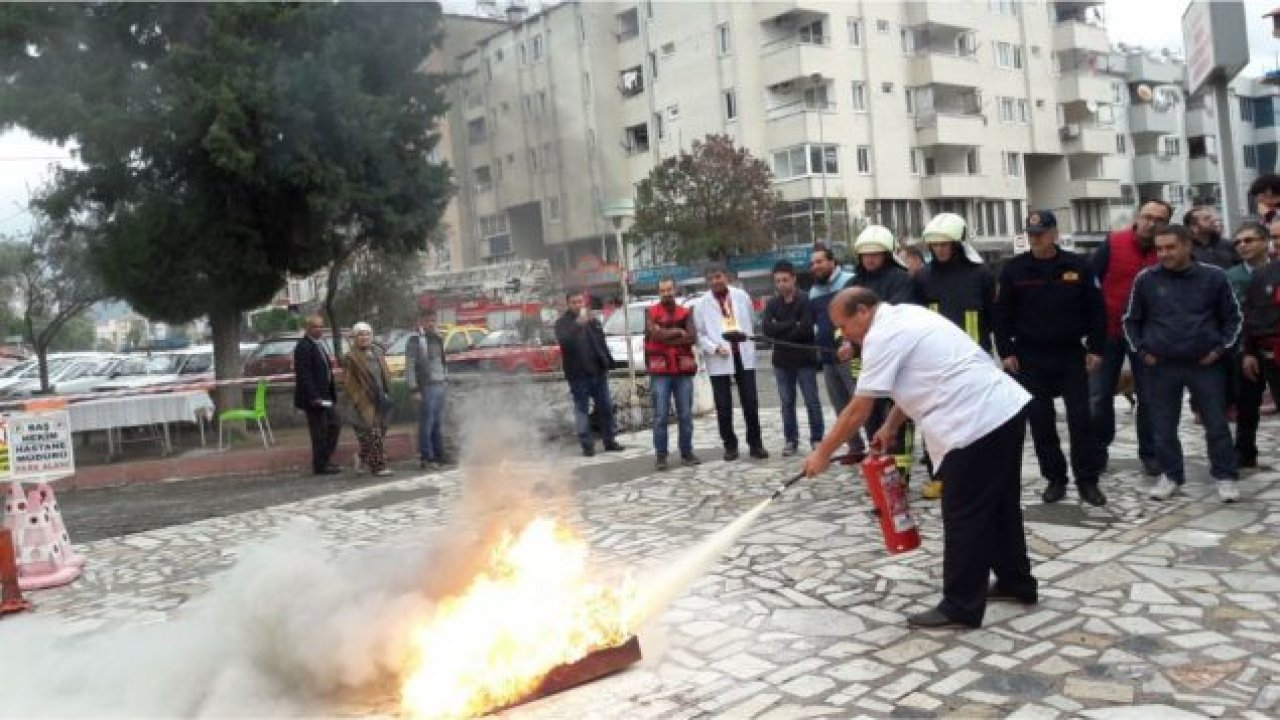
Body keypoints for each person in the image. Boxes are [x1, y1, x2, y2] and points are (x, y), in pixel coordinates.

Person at [804, 288, 1035, 629]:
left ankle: (960, 605)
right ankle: (1017, 582)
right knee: (1000, 505)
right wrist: (890, 425)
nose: (843, 334)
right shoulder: (906, 316)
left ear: (864, 311)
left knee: (963, 514)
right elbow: (917, 378)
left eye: (844, 325)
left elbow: (857, 408)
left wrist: (822, 453)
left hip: (976, 423)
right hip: (1002, 410)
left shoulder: (882, 335)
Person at [996, 211, 1107, 507]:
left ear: (1054, 233)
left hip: (1070, 352)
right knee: (1041, 421)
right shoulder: (1015, 269)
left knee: (1081, 419)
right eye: (1031, 234)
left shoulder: (1077, 265)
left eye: (1041, 233)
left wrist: (1096, 348)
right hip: (1030, 356)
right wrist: (1006, 352)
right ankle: (1055, 478)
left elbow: (1097, 310)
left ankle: (1088, 480)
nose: (1036, 239)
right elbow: (1002, 315)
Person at [1123, 224, 1241, 503]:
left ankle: (1225, 477)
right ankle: (1171, 475)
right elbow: (1131, 320)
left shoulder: (1215, 277)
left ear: (1188, 246)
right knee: (1163, 427)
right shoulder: (1146, 279)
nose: (1163, 253)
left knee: (1217, 425)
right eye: (1159, 248)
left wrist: (1221, 349)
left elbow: (1233, 318)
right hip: (1161, 366)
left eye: (1170, 247)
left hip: (1206, 364)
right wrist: (1141, 350)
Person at [913, 212, 995, 500]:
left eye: (945, 245)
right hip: (935, 360)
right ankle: (939, 475)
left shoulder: (981, 274)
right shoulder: (923, 276)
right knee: (934, 421)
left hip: (973, 359)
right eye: (934, 245)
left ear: (959, 243)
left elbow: (991, 316)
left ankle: (975, 473)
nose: (939, 250)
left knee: (974, 421)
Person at [1090, 199, 1172, 476]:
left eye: (1158, 219)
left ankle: (1150, 453)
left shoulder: (1167, 250)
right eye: (1146, 216)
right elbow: (1090, 281)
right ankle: (1098, 450)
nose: (1150, 223)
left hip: (1148, 336)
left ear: (1166, 224)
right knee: (1098, 397)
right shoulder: (1113, 243)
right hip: (1107, 331)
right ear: (1138, 217)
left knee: (1150, 397)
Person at [849, 225, 914, 463]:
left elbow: (898, 316)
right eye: (865, 254)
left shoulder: (900, 280)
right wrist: (846, 343)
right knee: (870, 416)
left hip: (895, 360)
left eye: (875, 253)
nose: (869, 259)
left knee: (897, 416)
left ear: (886, 254)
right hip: (864, 361)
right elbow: (843, 320)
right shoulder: (853, 283)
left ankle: (900, 471)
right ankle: (878, 466)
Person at [693, 264, 767, 461]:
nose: (716, 281)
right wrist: (714, 348)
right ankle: (730, 445)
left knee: (750, 402)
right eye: (711, 278)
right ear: (707, 282)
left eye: (719, 276)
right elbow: (699, 334)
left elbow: (749, 320)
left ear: (726, 277)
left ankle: (755, 444)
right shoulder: (701, 304)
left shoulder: (741, 296)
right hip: (719, 357)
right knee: (723, 406)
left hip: (742, 354)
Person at [761, 260, 824, 457]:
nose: (781, 284)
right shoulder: (772, 303)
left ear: (794, 279)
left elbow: (805, 329)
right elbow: (767, 330)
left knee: (811, 401)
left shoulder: (806, 300)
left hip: (804, 359)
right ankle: (791, 439)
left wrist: (780, 328)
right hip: (781, 361)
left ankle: (817, 438)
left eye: (785, 280)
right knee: (786, 403)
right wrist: (791, 325)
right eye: (777, 281)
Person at [555, 292, 625, 457]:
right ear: (568, 304)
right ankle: (587, 446)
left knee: (606, 408)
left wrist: (608, 361)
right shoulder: (562, 323)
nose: (578, 305)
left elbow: (601, 342)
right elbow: (564, 341)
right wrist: (578, 324)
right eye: (574, 302)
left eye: (580, 301)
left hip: (598, 372)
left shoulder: (593, 321)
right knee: (582, 410)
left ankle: (610, 441)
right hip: (578, 375)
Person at [808, 245, 861, 460]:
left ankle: (876, 445)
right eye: (813, 263)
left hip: (851, 354)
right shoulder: (813, 291)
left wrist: (851, 343)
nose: (815, 267)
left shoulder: (850, 281)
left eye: (819, 261)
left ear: (832, 262)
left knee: (859, 401)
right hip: (828, 357)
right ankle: (855, 447)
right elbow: (815, 322)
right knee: (840, 404)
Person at [1235, 219, 1280, 468]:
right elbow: (1249, 315)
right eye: (1277, 238)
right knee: (1246, 403)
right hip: (1261, 348)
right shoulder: (1263, 274)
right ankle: (1244, 452)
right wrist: (1247, 352)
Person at [645, 277, 701, 471]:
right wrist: (679, 332)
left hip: (682, 370)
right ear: (659, 293)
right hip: (660, 371)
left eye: (669, 289)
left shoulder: (686, 312)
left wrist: (666, 336)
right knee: (660, 416)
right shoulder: (651, 312)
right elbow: (654, 335)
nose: (667, 293)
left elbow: (692, 337)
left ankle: (686, 452)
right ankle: (661, 455)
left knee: (685, 414)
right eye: (663, 290)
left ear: (675, 290)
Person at [340, 322, 395, 478]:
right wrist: (360, 398)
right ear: (355, 338)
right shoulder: (351, 357)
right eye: (360, 334)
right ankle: (378, 467)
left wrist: (386, 392)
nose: (364, 337)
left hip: (380, 399)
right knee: (373, 433)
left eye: (367, 334)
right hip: (362, 402)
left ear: (371, 336)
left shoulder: (377, 353)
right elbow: (348, 382)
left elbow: (385, 375)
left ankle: (361, 458)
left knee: (375, 435)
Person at [293, 315, 341, 476]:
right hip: (314, 399)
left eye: (321, 327)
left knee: (334, 425)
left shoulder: (319, 345)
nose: (319, 330)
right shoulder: (304, 346)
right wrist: (314, 397)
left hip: (326, 396)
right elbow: (304, 375)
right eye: (315, 327)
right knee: (319, 432)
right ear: (308, 328)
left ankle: (325, 459)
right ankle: (320, 465)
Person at [404, 307, 449, 470]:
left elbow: (443, 361)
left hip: (439, 385)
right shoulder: (415, 341)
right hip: (426, 387)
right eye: (427, 321)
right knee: (426, 423)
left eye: (433, 321)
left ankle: (439, 454)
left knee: (437, 422)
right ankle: (426, 457)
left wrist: (445, 380)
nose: (431, 324)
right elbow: (409, 367)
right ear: (420, 322)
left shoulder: (438, 338)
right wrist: (413, 389)